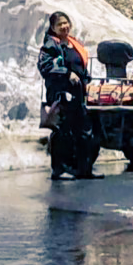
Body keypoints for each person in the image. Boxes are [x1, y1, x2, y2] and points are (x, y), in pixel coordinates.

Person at [37, 12, 97, 179]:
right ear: (53, 27)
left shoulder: (73, 43)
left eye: (66, 23)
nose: (64, 27)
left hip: (78, 95)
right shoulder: (51, 45)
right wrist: (66, 73)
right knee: (63, 133)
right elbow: (45, 67)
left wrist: (86, 79)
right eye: (60, 24)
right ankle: (59, 169)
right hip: (60, 95)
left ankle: (84, 169)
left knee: (84, 132)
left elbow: (80, 66)